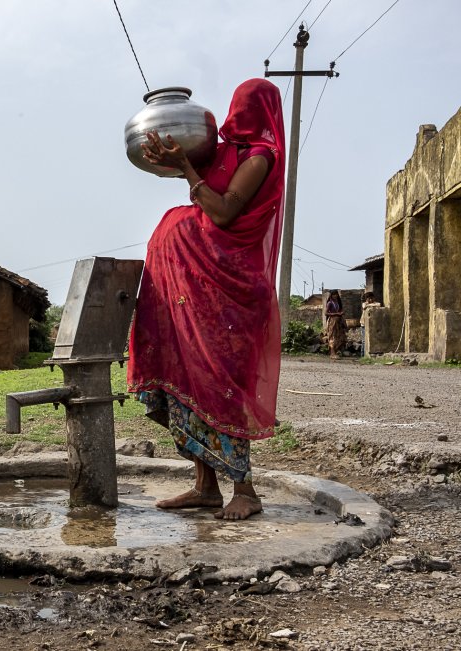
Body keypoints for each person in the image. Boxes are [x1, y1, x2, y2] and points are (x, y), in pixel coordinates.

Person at [127, 79, 286, 521]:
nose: (233, 114)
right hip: (194, 290)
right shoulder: (227, 154)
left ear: (260, 111)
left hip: (229, 289)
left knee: (221, 387)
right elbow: (199, 182)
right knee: (187, 382)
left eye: (243, 106)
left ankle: (246, 491)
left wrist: (191, 174)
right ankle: (205, 486)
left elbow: (223, 212)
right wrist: (178, 162)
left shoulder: (259, 156)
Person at [325, 290, 347, 360]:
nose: (335, 296)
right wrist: (336, 314)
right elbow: (326, 313)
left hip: (338, 321)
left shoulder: (337, 302)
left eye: (336, 294)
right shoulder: (330, 303)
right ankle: (332, 353)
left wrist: (341, 313)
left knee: (339, 336)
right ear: (331, 295)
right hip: (332, 322)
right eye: (334, 294)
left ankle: (336, 351)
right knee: (332, 336)